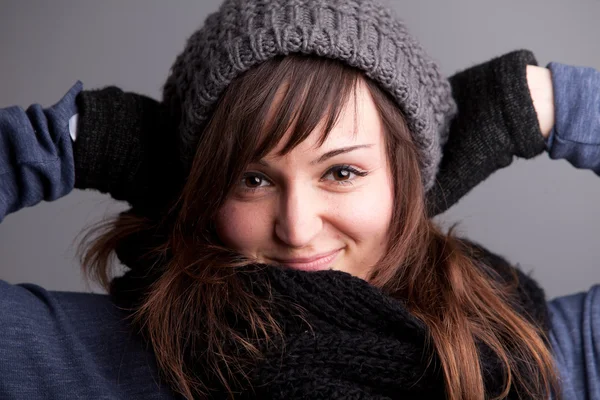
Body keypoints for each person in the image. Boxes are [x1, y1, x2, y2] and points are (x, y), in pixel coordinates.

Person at [1, 0, 599, 399]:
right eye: (252, 179)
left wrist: (521, 106)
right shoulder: (94, 356)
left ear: (408, 183)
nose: (296, 226)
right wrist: (82, 140)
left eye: (342, 172)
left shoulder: (531, 356)